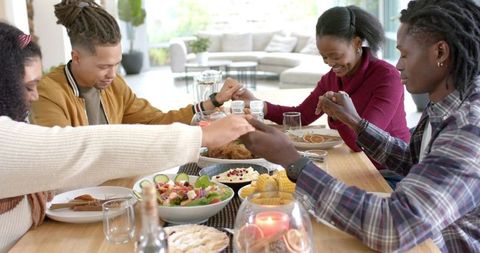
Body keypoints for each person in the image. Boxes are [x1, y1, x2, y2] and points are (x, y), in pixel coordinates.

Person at [240, 0, 480, 252]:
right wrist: (355, 123)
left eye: (405, 54)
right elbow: (415, 162)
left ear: (440, 52)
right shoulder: (446, 99)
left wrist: (295, 163)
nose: (399, 64)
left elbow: (394, 227)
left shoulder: (469, 127)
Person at [0, 21, 254, 253]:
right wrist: (200, 136)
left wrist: (209, 104)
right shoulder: (45, 98)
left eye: (115, 64)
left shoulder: (114, 86)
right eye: (27, 87)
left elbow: (152, 120)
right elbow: (83, 151)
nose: (33, 96)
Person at [233, 6, 410, 165]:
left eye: (335, 55)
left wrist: (338, 114)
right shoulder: (331, 79)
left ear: (356, 43)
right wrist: (257, 103)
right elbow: (301, 115)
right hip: (355, 162)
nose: (330, 63)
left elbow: (364, 144)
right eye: (324, 56)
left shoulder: (387, 77)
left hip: (389, 171)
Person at [30, 0, 240, 127]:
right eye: (103, 67)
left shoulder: (115, 86)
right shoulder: (48, 92)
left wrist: (214, 101)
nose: (112, 74)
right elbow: (63, 155)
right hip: (76, 196)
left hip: (121, 189)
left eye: (116, 64)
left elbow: (157, 121)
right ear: (76, 57)